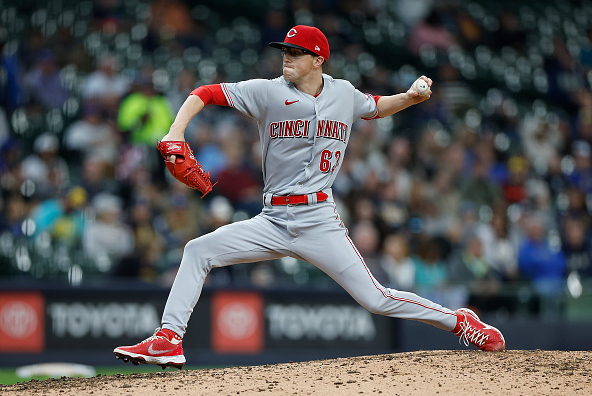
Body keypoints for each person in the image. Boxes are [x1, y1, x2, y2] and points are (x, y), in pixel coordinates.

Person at [114, 25, 505, 370]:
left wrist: (409, 98)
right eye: (284, 51)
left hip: (318, 219)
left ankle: (460, 321)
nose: (286, 57)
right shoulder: (266, 92)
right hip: (272, 219)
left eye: (295, 53)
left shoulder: (344, 94)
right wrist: (175, 132)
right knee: (198, 250)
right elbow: (204, 93)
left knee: (376, 298)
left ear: (318, 59)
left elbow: (375, 107)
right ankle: (169, 338)